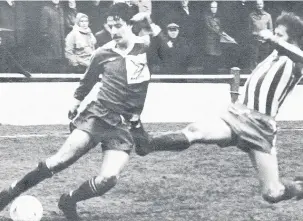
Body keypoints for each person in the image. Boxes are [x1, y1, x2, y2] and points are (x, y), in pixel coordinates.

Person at [0, 3, 161, 220]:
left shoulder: (144, 48)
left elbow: (166, 48)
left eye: (118, 25)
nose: (113, 31)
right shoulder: (102, 53)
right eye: (110, 26)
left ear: (130, 24)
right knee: (58, 162)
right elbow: (87, 82)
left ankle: (69, 200)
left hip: (122, 125)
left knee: (109, 178)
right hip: (97, 116)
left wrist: (148, 20)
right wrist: (75, 103)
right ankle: (9, 193)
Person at [136, 11, 303, 204]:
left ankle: (299, 187)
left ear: (293, 40)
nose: (275, 36)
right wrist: (153, 28)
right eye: (276, 33)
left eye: (280, 35)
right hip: (236, 116)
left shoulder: (295, 62)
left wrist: (275, 39)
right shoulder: (274, 54)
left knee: (272, 193)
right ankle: (148, 144)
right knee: (195, 131)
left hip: (260, 128)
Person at [249, 0, 273, 70]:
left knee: (264, 59)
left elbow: (271, 30)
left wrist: (266, 36)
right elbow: (250, 29)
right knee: (254, 58)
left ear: (263, 5)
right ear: (255, 5)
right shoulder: (251, 15)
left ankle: (263, 73)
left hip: (265, 42)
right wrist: (256, 34)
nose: (259, 6)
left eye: (261, 4)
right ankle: (253, 73)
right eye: (257, 4)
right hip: (255, 41)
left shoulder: (268, 16)